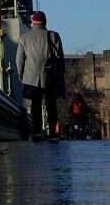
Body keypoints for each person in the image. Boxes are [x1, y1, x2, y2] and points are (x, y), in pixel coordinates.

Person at [16, 10, 64, 141]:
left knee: (35, 106)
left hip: (30, 78)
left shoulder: (24, 38)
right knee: (51, 105)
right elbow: (60, 59)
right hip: (49, 77)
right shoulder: (53, 36)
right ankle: (53, 133)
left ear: (33, 22)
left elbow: (19, 61)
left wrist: (22, 76)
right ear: (45, 22)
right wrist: (60, 77)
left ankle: (37, 132)